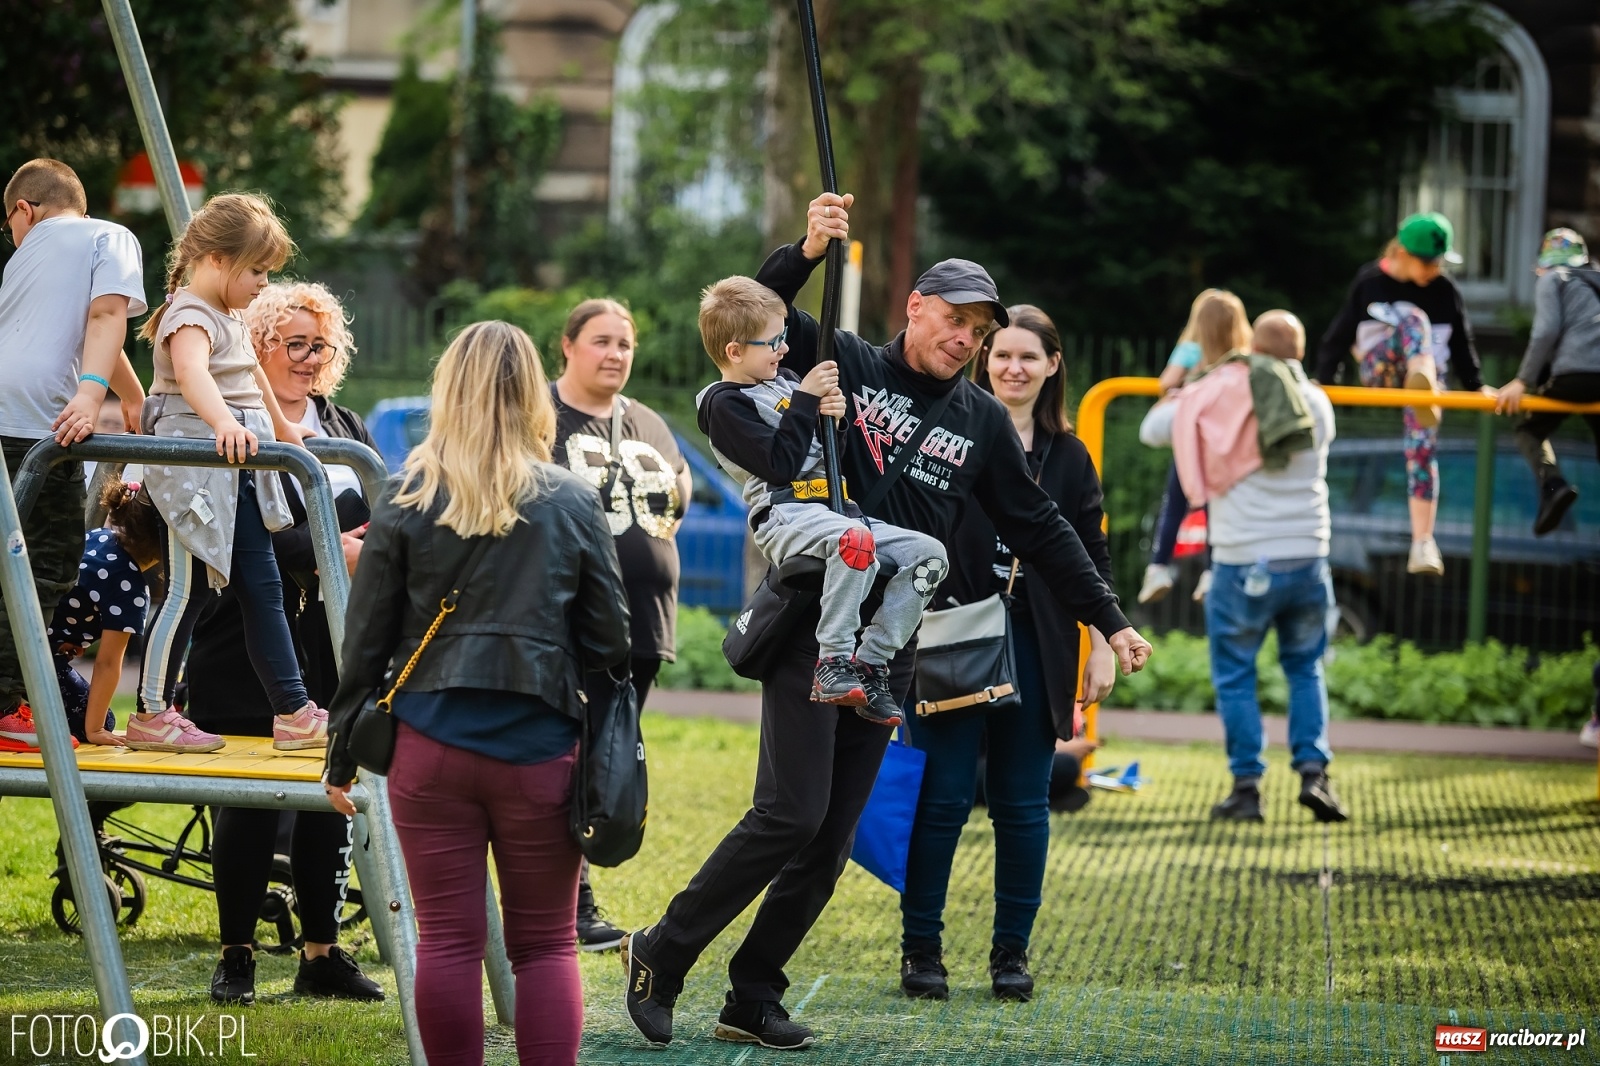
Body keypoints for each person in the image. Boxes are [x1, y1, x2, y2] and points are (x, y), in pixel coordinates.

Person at [620, 191, 1151, 1052]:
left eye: (981, 332)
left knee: (827, 840)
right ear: (917, 307)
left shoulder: (980, 420)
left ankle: (752, 993)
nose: (968, 341)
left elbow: (1042, 526)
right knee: (790, 814)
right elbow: (752, 311)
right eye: (958, 322)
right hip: (814, 622)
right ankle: (663, 951)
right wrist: (808, 246)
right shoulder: (846, 359)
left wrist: (1109, 621)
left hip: (893, 647)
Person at [324, 320, 631, 1066]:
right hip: (540, 748)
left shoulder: (404, 495)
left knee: (449, 942)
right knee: (546, 945)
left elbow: (364, 644)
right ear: (534, 392)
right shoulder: (570, 500)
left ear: (447, 392)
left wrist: (339, 756)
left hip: (429, 746)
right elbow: (613, 643)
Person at [899, 303, 1114, 1003]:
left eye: (1028, 357)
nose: (1012, 368)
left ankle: (1010, 955)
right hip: (951, 634)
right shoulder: (948, 431)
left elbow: (1090, 552)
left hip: (1035, 639)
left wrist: (1106, 637)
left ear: (1053, 366)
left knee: (1024, 804)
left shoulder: (1071, 456)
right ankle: (920, 953)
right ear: (984, 363)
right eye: (1001, 355)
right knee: (943, 799)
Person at [185, 281, 382, 1005]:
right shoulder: (234, 420)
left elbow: (379, 504)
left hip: (333, 639)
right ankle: (237, 954)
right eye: (291, 343)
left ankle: (320, 953)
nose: (306, 358)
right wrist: (332, 551)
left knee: (331, 795)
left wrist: (368, 554)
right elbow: (240, 534)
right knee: (250, 802)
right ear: (256, 346)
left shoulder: (342, 420)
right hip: (247, 640)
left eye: (318, 344)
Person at [696, 275, 950, 724]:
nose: (784, 349)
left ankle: (872, 662)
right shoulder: (723, 405)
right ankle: (832, 661)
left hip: (837, 510)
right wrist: (806, 402)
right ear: (735, 351)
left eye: (783, 337)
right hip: (786, 513)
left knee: (929, 556)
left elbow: (831, 454)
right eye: (772, 341)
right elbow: (780, 465)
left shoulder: (787, 380)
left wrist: (835, 419)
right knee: (856, 542)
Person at [128, 193, 321, 755]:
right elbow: (191, 374)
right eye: (256, 270)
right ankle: (153, 713)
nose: (264, 282)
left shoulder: (229, 316)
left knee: (263, 589)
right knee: (186, 591)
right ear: (216, 259)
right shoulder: (187, 314)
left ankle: (293, 711)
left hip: (235, 471)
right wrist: (221, 423)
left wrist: (284, 430)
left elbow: (252, 375)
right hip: (198, 472)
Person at [1143, 310, 1347, 823]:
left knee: (1235, 676)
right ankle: (1314, 774)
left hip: (1240, 559)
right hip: (1308, 555)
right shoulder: (1318, 402)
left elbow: (1153, 430)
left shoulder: (1222, 393)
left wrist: (1186, 386)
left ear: (1251, 350)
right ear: (1300, 352)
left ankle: (1247, 788)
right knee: (1306, 667)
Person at [549, 297, 690, 952]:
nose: (615, 354)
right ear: (568, 346)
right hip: (570, 623)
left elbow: (677, 499)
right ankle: (569, 905)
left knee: (609, 764)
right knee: (570, 761)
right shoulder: (540, 415)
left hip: (644, 623)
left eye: (624, 344)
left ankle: (575, 901)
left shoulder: (648, 422)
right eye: (601, 341)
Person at [0, 158, 146, 749]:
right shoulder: (110, 235)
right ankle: (9, 705)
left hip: (11, 411)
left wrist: (129, 395)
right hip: (40, 422)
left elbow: (88, 328)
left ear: (25, 210)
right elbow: (106, 313)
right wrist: (90, 396)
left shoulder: (24, 257)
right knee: (45, 569)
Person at [1315, 212, 1496, 577]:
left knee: (1422, 451)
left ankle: (1423, 543)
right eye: (1428, 261)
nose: (1435, 269)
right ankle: (1422, 377)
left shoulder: (1445, 290)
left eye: (1439, 261)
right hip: (1382, 370)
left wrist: (1478, 386)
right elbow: (1339, 333)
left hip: (1426, 391)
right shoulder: (1370, 283)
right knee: (1413, 319)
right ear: (1402, 253)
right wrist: (1322, 380)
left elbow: (1462, 343)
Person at [1138, 289, 1251, 606]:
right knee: (1216, 505)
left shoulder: (1190, 350)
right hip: (1223, 439)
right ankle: (1212, 571)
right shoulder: (1242, 353)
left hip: (1192, 438)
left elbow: (1166, 382)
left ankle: (1159, 567)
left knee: (1175, 500)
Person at [1495, 228, 1600, 536]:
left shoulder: (1553, 279)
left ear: (1543, 264)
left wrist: (1522, 381)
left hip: (1575, 375)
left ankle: (1553, 486)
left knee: (1529, 429)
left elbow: (1545, 332)